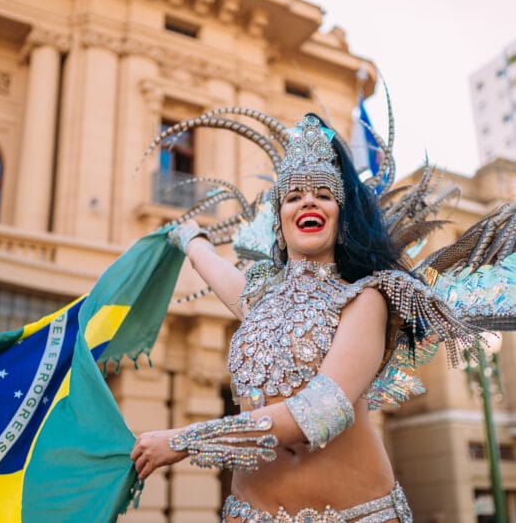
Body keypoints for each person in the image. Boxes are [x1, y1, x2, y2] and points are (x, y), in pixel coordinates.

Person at [130, 113, 470, 522]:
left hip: (357, 514)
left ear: (340, 220)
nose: (308, 201)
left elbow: (321, 410)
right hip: (250, 512)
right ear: (280, 224)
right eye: (293, 197)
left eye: (324, 195)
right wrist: (187, 236)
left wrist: (184, 441)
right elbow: (215, 269)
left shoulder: (366, 297)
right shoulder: (261, 302)